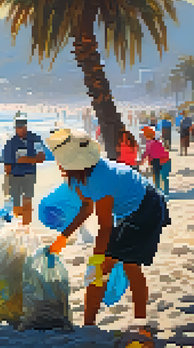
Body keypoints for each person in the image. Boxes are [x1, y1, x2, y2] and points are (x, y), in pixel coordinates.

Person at [47, 128, 170, 340]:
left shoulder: (100, 179)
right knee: (107, 267)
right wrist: (63, 237)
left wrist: (96, 259)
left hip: (147, 209)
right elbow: (86, 209)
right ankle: (89, 324)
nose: (59, 164)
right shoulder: (78, 176)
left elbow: (104, 226)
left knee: (125, 265)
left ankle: (138, 323)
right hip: (129, 210)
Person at [1, 111, 45, 226]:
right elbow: (7, 165)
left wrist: (25, 159)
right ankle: (18, 225)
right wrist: (7, 181)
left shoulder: (34, 139)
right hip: (14, 176)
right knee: (15, 205)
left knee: (27, 201)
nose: (19, 130)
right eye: (17, 128)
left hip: (29, 174)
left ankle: (26, 226)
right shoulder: (11, 142)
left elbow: (41, 158)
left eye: (21, 127)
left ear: (26, 127)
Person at [140, 126, 171, 199]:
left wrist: (141, 161)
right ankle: (165, 192)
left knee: (156, 177)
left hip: (157, 161)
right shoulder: (158, 142)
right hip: (165, 161)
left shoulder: (149, 143)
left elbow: (146, 153)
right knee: (164, 177)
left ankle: (158, 191)